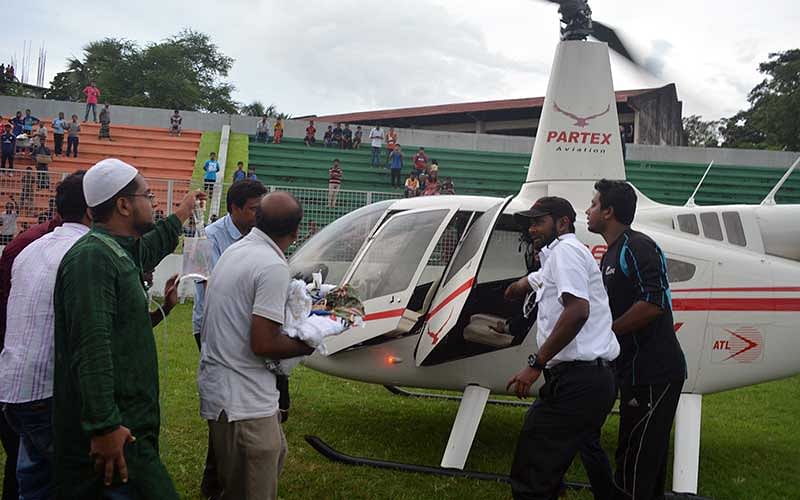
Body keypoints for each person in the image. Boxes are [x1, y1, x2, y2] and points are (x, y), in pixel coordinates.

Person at [53, 158, 205, 499]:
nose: (153, 203)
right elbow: (92, 347)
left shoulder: (119, 252)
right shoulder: (92, 258)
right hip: (116, 435)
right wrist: (104, 426)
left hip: (130, 428)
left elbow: (150, 248)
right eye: (148, 196)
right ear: (123, 204)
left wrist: (182, 213)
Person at [198, 191, 313, 500]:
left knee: (273, 454)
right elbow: (264, 342)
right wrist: (313, 340)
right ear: (296, 231)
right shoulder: (271, 265)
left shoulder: (236, 250)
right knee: (254, 484)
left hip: (228, 393)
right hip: (244, 402)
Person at [505, 196, 620, 500]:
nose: (532, 229)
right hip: (587, 381)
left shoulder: (566, 251)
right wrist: (517, 287)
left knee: (533, 465)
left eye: (538, 222)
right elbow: (539, 280)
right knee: (562, 458)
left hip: (579, 380)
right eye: (530, 223)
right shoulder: (558, 255)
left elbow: (577, 311)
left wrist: (536, 363)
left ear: (562, 223)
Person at [586, 179, 687, 500]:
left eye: (593, 204)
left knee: (635, 462)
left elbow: (653, 303)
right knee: (641, 459)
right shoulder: (611, 253)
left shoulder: (638, 246)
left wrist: (608, 331)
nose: (587, 211)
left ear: (608, 212)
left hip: (655, 372)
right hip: (631, 370)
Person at [0, 172, 88, 500]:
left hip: (15, 384)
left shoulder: (29, 247)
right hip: (47, 390)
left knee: (32, 476)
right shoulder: (83, 251)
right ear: (94, 208)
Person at [191, 180, 267, 499]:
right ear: (234, 208)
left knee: (241, 405)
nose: (258, 215)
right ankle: (214, 483)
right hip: (214, 330)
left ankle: (231, 478)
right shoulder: (206, 239)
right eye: (253, 209)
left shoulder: (257, 236)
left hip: (244, 329)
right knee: (223, 408)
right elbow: (210, 290)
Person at [0, 210, 63, 500]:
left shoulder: (31, 245)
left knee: (26, 462)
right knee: (27, 465)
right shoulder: (27, 247)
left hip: (22, 375)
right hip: (25, 377)